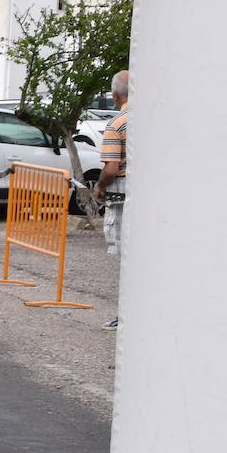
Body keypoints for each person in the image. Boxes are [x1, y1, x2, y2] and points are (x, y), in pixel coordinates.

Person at [93, 70, 129, 330]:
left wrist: (100, 186)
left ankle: (125, 315)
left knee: (125, 259)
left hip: (121, 196)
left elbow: (111, 168)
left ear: (115, 96)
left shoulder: (116, 124)